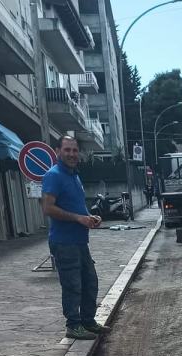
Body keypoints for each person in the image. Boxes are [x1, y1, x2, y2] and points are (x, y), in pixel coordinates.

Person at [41, 135, 110, 341]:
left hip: (79, 241)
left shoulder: (74, 176)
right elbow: (48, 208)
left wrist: (89, 217)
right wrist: (77, 218)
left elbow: (75, 206)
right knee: (72, 285)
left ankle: (88, 321)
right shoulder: (53, 175)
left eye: (74, 150)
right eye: (67, 150)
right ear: (57, 151)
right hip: (64, 242)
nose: (72, 154)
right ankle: (73, 325)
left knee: (90, 282)